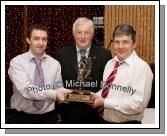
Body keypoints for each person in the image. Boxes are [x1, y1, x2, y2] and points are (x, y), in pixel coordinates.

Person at [91, 24, 153, 124]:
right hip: (104, 122)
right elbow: (108, 91)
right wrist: (93, 96)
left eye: (125, 42)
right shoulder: (110, 64)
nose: (120, 46)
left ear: (134, 44)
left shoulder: (142, 68)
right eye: (117, 42)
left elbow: (138, 104)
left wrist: (104, 103)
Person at [8, 24, 70, 124]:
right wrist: (55, 94)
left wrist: (70, 94)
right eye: (36, 39)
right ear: (28, 40)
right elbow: (27, 90)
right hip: (22, 118)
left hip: (49, 118)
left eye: (44, 39)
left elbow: (58, 87)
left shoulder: (55, 63)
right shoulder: (17, 62)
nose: (41, 43)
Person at [55, 17, 112, 123]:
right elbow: (56, 82)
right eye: (79, 32)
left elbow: (108, 84)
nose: (83, 36)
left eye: (86, 32)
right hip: (68, 113)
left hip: (95, 114)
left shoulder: (105, 55)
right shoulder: (61, 54)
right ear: (73, 34)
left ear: (92, 34)